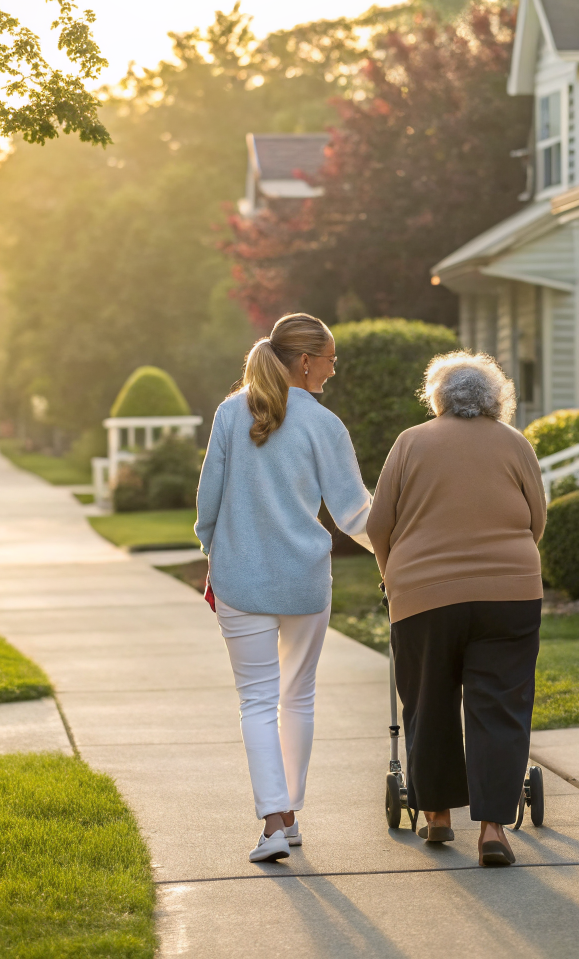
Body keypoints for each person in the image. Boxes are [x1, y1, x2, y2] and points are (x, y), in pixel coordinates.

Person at [195, 312, 372, 863]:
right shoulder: (325, 425)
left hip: (240, 580)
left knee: (256, 702)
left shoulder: (230, 413)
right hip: (304, 583)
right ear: (305, 361)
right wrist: (396, 550)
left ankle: (275, 823)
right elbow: (354, 513)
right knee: (299, 697)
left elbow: (209, 500)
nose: (333, 370)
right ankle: (289, 813)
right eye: (329, 360)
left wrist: (212, 548)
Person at [367, 351, 546, 868]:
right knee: (500, 705)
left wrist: (391, 573)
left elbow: (379, 525)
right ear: (495, 399)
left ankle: (438, 815)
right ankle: (493, 828)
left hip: (422, 592)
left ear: (438, 398)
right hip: (508, 594)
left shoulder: (410, 442)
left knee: (428, 700)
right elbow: (536, 520)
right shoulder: (515, 444)